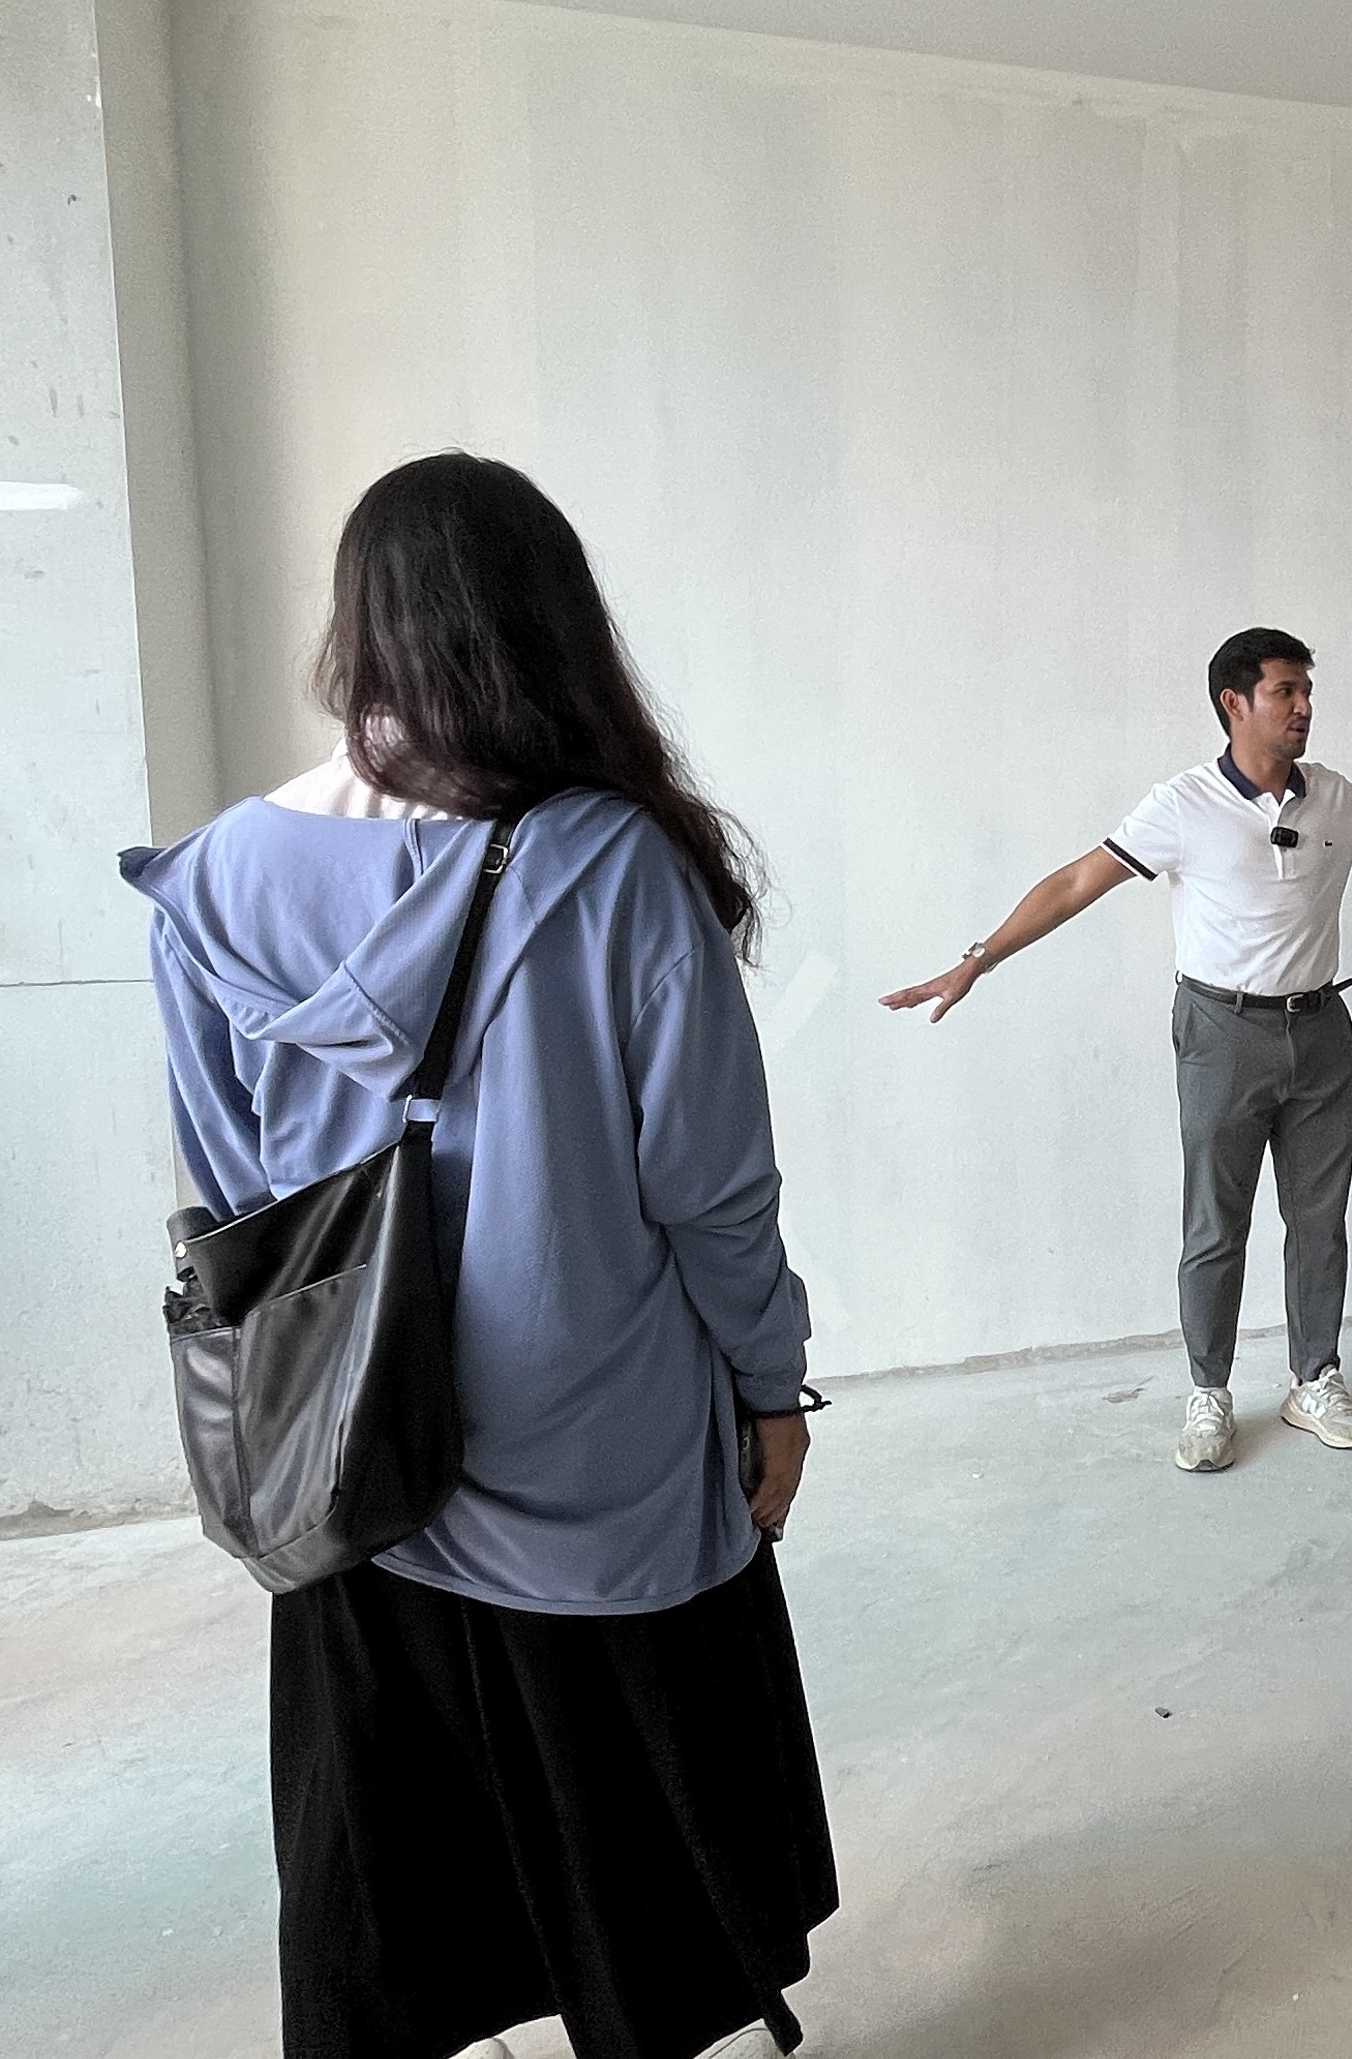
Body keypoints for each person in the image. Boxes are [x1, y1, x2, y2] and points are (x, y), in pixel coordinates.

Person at [125, 452, 835, 2059]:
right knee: (633, 1837)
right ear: (551, 625)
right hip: (599, 1437)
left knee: (395, 1844)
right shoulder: (616, 863)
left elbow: (232, 1193)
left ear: (358, 626)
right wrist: (770, 1383)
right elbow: (710, 1189)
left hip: (350, 1443)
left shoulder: (214, 882)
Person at [880, 628, 1352, 1472]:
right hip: (1220, 1034)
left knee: (1319, 1221)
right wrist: (976, 961)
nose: (1304, 707)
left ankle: (1315, 1379)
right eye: (1286, 691)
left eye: (1308, 691)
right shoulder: (1182, 804)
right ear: (1235, 703)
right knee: (1215, 1224)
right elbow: (1075, 882)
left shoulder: (1331, 796)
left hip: (1320, 1031)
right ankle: (1209, 1392)